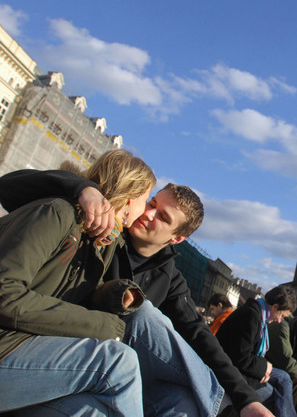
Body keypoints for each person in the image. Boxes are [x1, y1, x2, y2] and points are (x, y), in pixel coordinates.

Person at [0, 168, 275, 417]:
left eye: (162, 217)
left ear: (177, 238)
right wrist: (84, 188)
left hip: (91, 361)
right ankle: (221, 408)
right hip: (65, 349)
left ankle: (225, 405)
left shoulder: (169, 277)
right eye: (152, 203)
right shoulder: (105, 227)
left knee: (182, 403)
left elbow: (199, 334)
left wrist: (246, 398)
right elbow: (10, 187)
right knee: (142, 315)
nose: (148, 214)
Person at [0, 150, 156, 416]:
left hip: (21, 347)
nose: (147, 210)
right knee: (118, 360)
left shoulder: (101, 242)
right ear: (130, 199)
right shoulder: (56, 213)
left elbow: (59, 293)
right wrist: (105, 326)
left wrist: (109, 294)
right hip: (7, 346)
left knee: (91, 411)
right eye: (147, 199)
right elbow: (6, 295)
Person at [216, 286, 297, 416]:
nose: (279, 320)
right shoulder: (251, 315)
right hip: (230, 370)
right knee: (274, 395)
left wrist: (265, 367)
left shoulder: (258, 314)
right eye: (282, 315)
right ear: (275, 307)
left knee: (284, 378)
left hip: (243, 366)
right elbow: (241, 357)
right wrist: (264, 367)